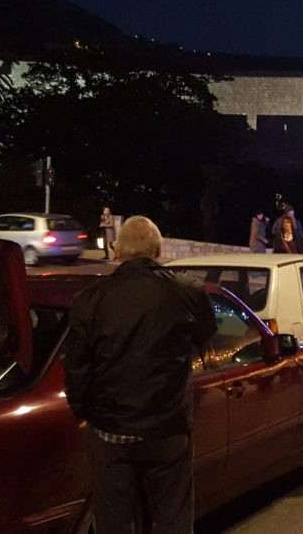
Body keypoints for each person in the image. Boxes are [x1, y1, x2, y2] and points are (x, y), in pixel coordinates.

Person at [63, 216, 218, 534]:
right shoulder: (187, 292)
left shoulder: (91, 299)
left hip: (111, 431)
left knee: (115, 521)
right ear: (158, 251)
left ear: (117, 252)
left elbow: (77, 367)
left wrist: (83, 412)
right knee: (172, 517)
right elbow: (206, 333)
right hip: (167, 428)